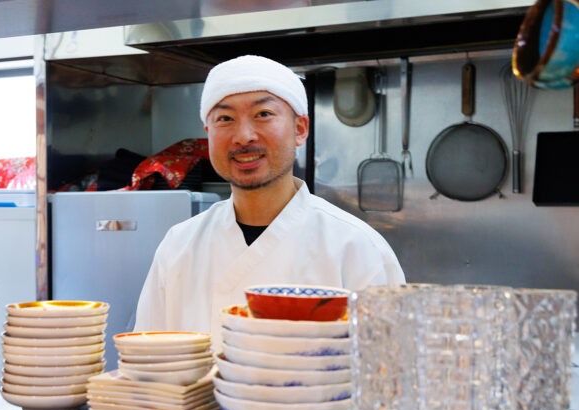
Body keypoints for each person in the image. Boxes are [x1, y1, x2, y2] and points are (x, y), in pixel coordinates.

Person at [134, 55, 404, 348]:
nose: (244, 136)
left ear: (300, 128)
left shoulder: (357, 248)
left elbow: (390, 379)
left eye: (263, 114)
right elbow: (145, 364)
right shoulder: (179, 245)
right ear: (208, 133)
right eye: (225, 118)